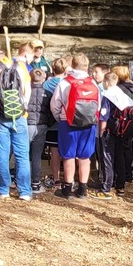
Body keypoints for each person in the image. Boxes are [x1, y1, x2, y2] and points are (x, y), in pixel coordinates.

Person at [50, 53, 99, 199]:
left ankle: (67, 189)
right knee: (85, 157)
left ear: (72, 64)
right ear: (87, 66)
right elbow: (99, 105)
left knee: (68, 156)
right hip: (89, 124)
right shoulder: (94, 83)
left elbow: (55, 105)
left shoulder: (65, 83)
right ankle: (83, 189)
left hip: (68, 123)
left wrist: (61, 118)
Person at [0, 49, 33, 201]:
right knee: (22, 154)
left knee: (2, 153)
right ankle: (25, 191)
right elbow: (27, 89)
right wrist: (23, 108)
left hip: (1, 115)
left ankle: (3, 189)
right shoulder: (20, 65)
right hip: (19, 115)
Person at [92, 71, 123, 200]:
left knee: (106, 158)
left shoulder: (107, 95)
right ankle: (118, 183)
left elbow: (103, 116)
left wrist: (101, 132)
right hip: (120, 130)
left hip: (108, 131)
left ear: (105, 82)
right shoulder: (120, 93)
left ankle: (106, 187)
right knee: (118, 157)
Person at [110, 65, 133, 195]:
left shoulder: (118, 90)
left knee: (119, 153)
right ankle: (129, 174)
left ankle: (119, 180)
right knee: (128, 149)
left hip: (121, 124)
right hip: (132, 123)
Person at [40, 58, 67, 188]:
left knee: (54, 151)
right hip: (67, 122)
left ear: (52, 68)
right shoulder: (68, 83)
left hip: (51, 124)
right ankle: (69, 179)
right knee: (68, 151)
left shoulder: (46, 85)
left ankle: (56, 179)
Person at [27, 68, 48, 194]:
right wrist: (47, 123)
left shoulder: (25, 91)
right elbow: (52, 110)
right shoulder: (48, 93)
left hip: (27, 124)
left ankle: (20, 181)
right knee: (36, 156)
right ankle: (35, 184)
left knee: (23, 155)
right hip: (41, 125)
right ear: (44, 78)